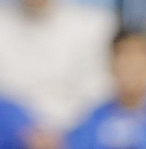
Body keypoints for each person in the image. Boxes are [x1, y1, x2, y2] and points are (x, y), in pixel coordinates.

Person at [0, 0, 114, 131]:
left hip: (78, 135)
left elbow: (99, 93)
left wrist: (59, 135)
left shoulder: (95, 24)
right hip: (9, 135)